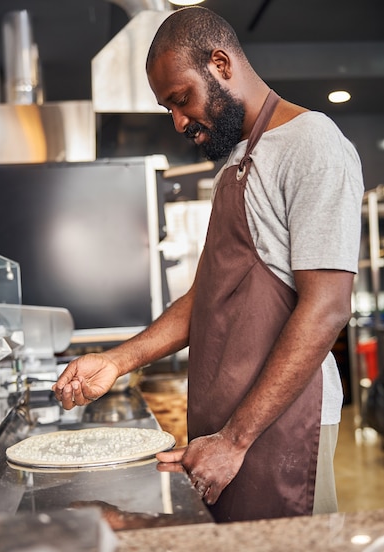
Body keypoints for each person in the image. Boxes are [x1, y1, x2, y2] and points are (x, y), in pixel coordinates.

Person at [53, 7, 363, 523]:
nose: (177, 121)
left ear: (221, 64)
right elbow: (204, 299)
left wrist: (236, 438)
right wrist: (115, 362)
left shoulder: (313, 144)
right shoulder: (236, 165)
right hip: (223, 424)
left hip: (279, 424)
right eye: (167, 108)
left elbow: (327, 309)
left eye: (181, 100)